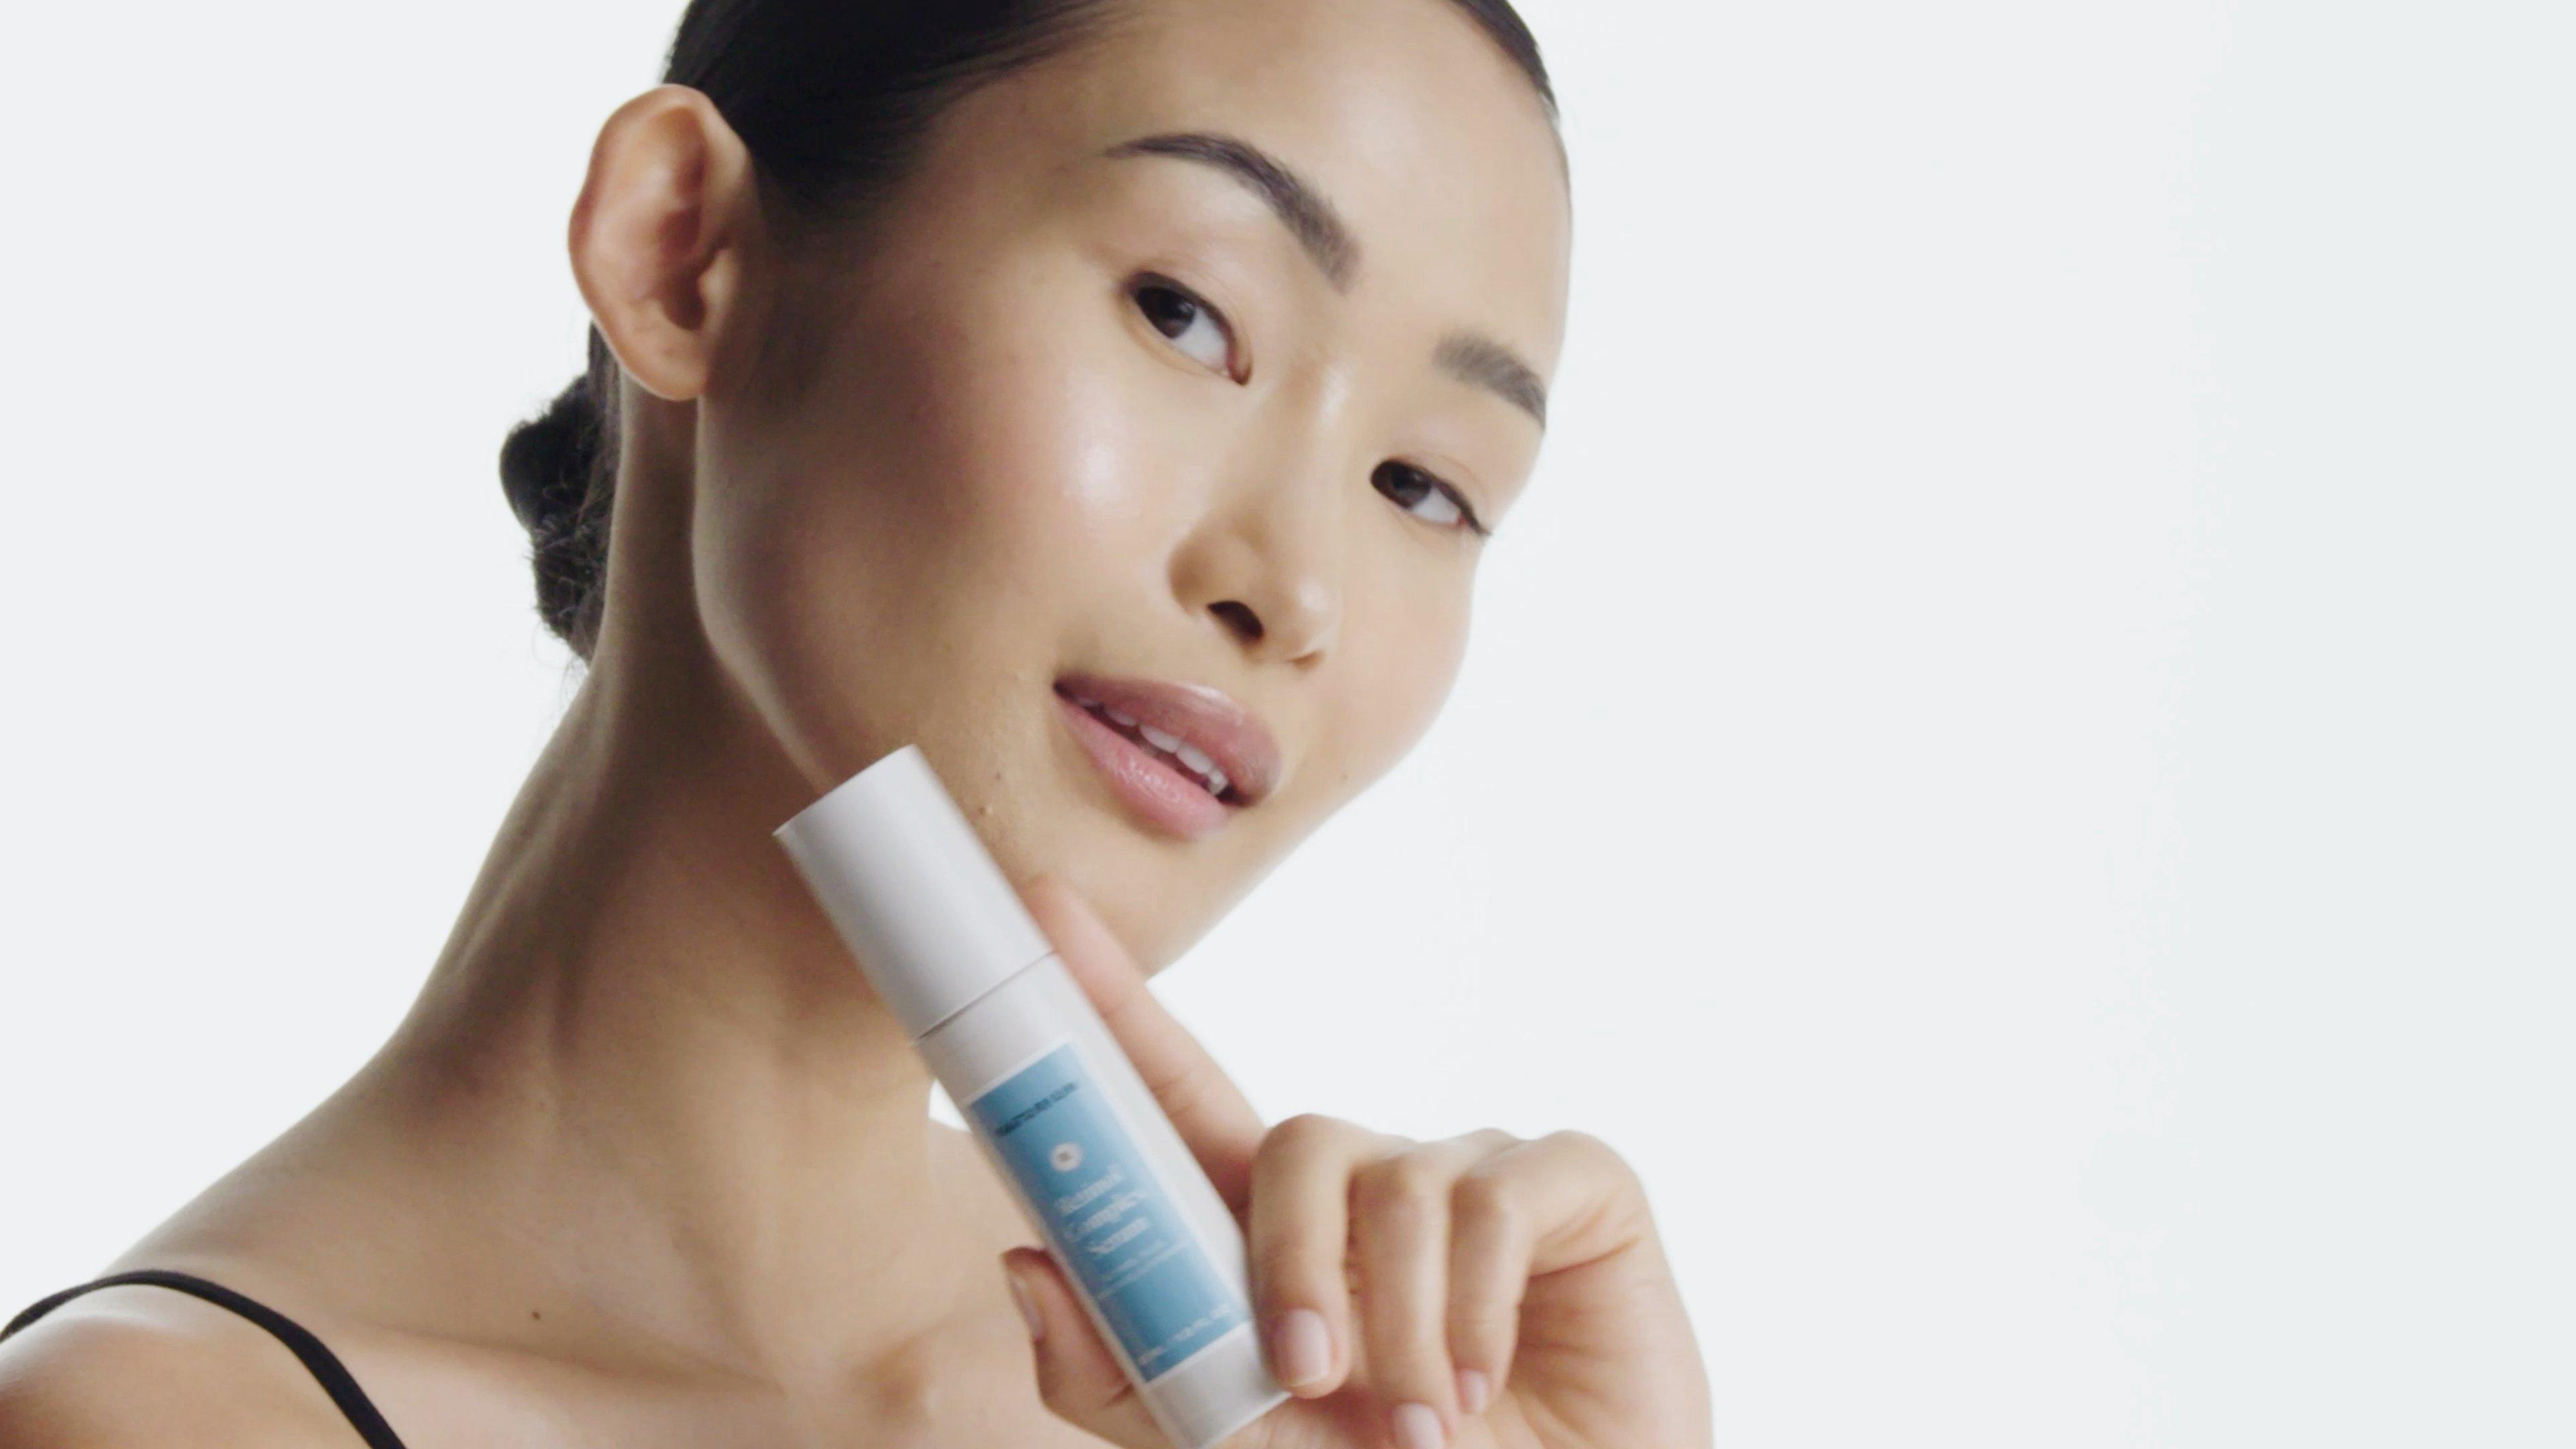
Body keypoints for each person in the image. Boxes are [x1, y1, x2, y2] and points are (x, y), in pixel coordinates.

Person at [0, 1, 1711, 1445]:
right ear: (684, 250)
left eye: (1424, 485)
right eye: (1186, 315)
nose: (1301, 588)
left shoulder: (1277, 1408)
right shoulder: (163, 1423)